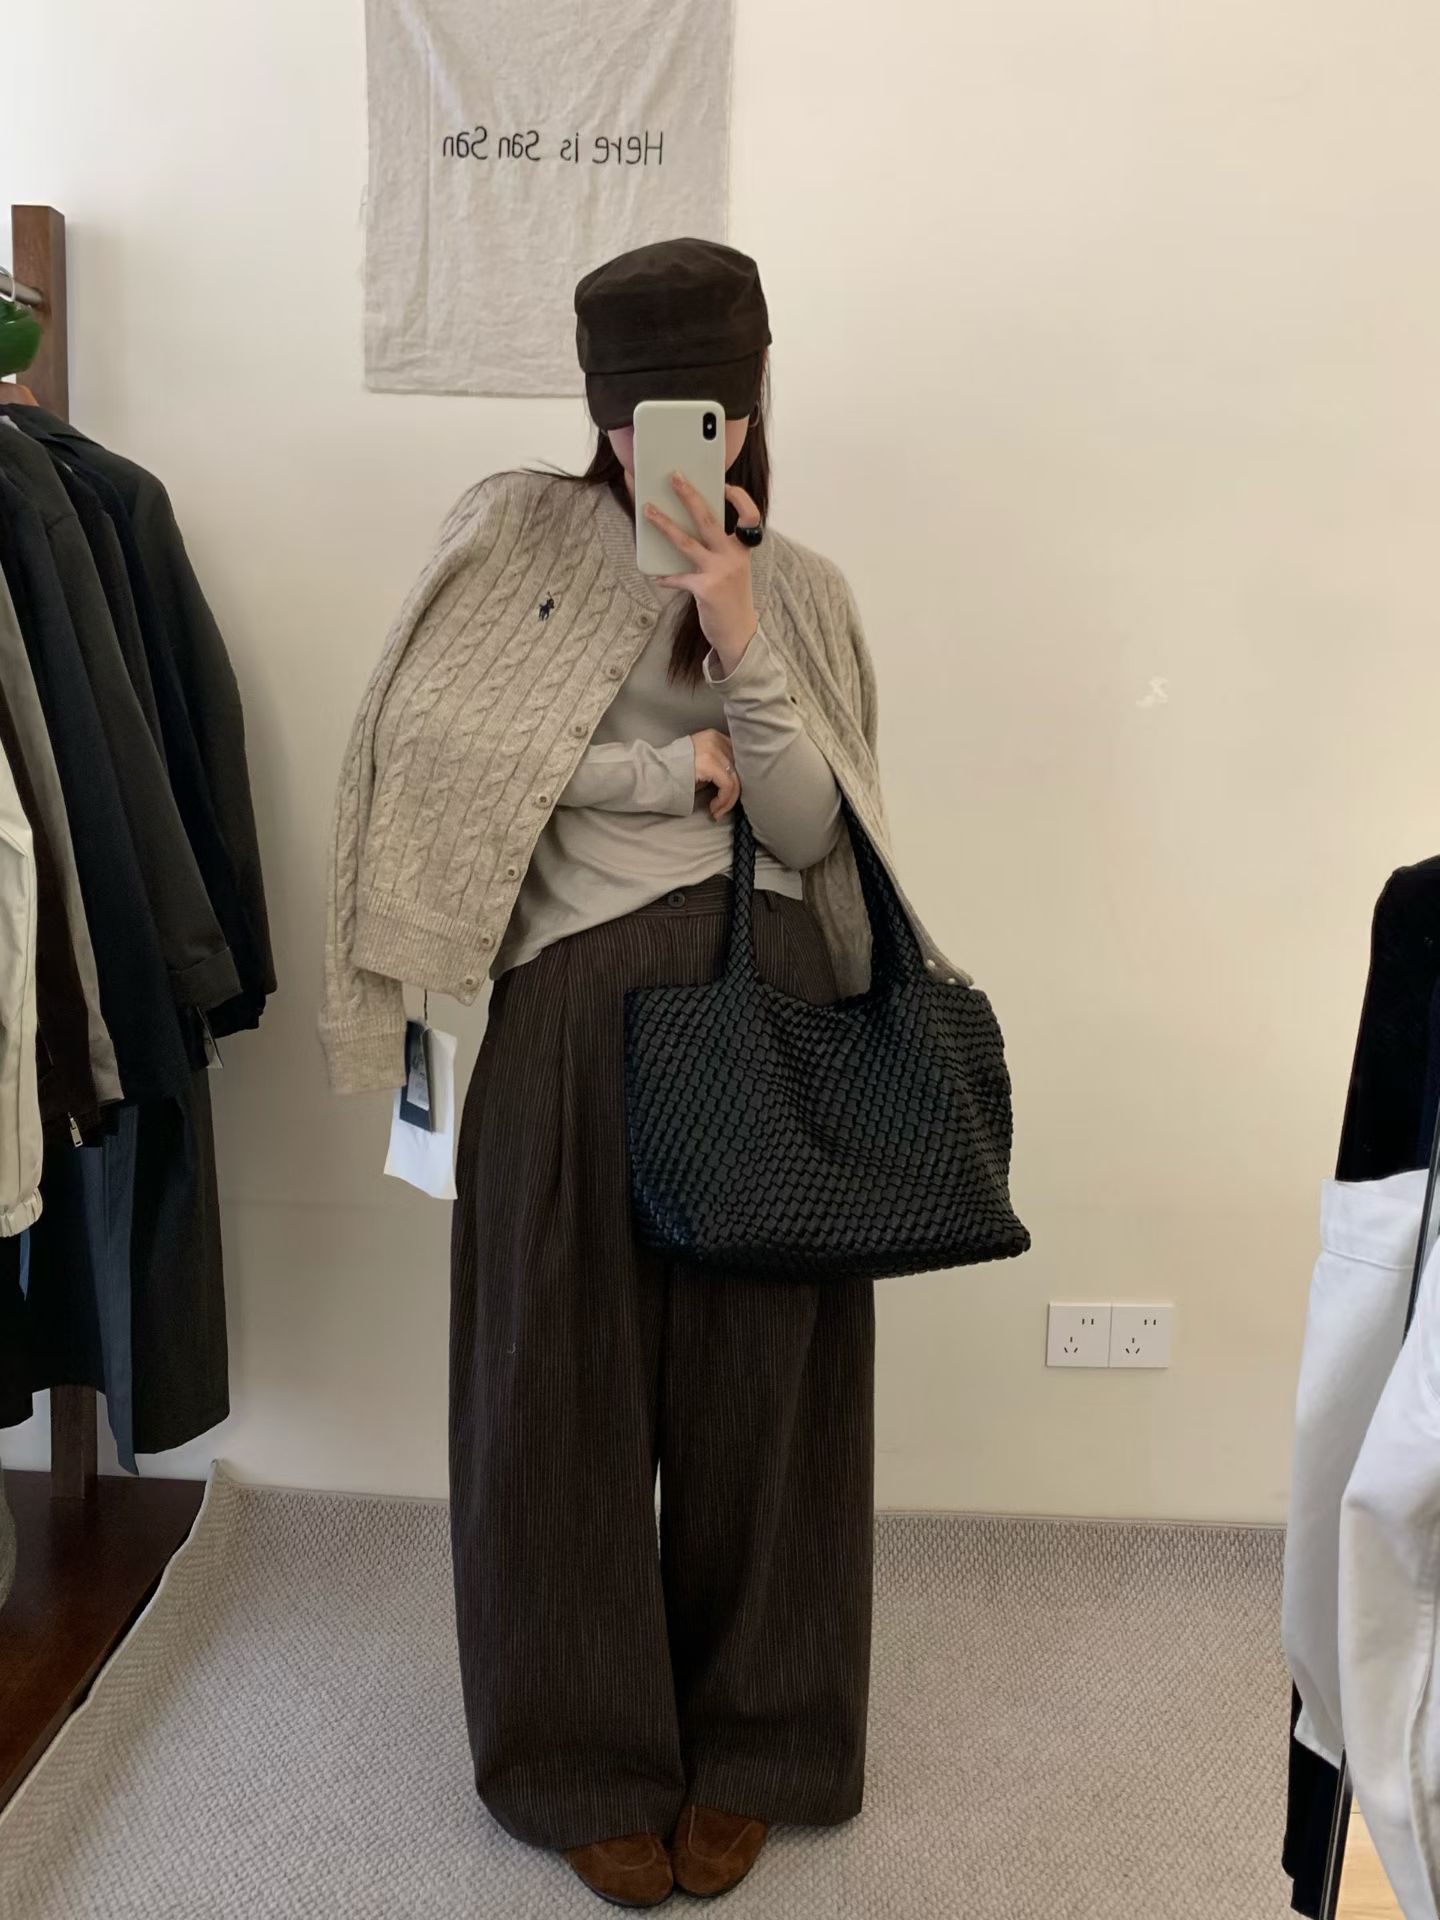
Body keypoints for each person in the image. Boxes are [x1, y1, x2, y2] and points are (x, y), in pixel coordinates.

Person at [321, 236, 962, 1906]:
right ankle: (579, 1755)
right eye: (632, 417)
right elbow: (442, 758)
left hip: (771, 1012)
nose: (658, 446)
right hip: (569, 1028)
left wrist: (736, 626)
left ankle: (762, 1742)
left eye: (701, 412)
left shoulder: (802, 588)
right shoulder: (511, 539)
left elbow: (814, 827)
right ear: (597, 410)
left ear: (751, 407)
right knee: (553, 1399)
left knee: (772, 1399)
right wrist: (665, 780)